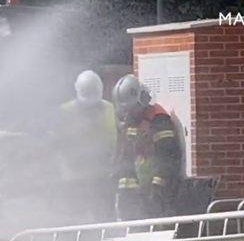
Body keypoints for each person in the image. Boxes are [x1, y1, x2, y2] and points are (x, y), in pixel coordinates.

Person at [111, 74, 182, 220]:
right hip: (140, 192)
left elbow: (168, 156)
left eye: (131, 108)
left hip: (159, 192)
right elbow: (127, 155)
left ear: (141, 101)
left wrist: (157, 189)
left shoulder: (159, 120)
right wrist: (124, 192)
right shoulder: (132, 120)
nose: (128, 113)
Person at [57, 70, 117, 221]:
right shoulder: (65, 112)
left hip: (102, 177)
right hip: (75, 178)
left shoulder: (110, 109)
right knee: (76, 219)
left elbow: (116, 141)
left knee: (103, 217)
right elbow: (58, 145)